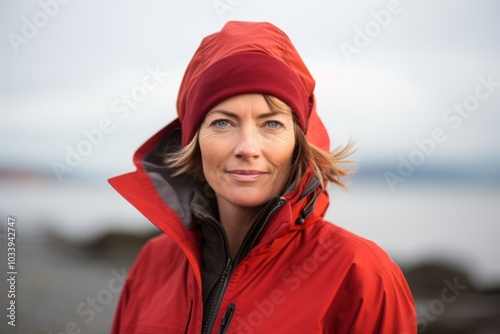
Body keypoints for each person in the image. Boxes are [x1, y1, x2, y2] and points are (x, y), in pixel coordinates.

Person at [109, 21, 417, 334]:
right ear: (193, 141)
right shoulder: (153, 264)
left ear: (299, 141)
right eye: (222, 123)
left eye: (271, 124)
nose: (247, 148)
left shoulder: (361, 274)